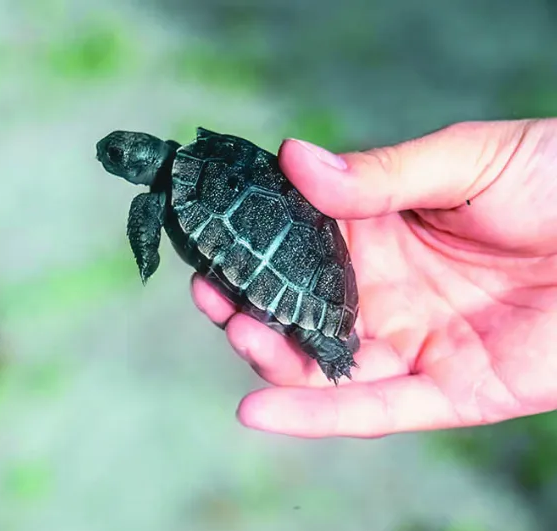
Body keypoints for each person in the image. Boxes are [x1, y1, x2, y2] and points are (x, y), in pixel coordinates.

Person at [190, 117, 557, 439]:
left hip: (308, 278)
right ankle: (332, 343)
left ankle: (332, 349)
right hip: (319, 280)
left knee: (312, 336)